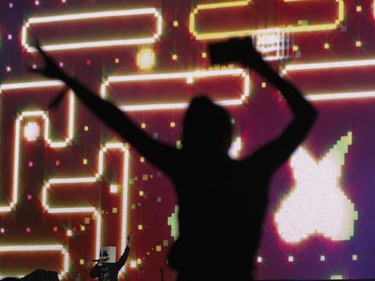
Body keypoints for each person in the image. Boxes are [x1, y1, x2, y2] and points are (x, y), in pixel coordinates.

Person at [32, 37, 317, 281]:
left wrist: (67, 79)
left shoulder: (189, 172)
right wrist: (255, 63)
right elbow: (306, 115)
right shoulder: (251, 173)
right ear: (227, 136)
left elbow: (121, 123)